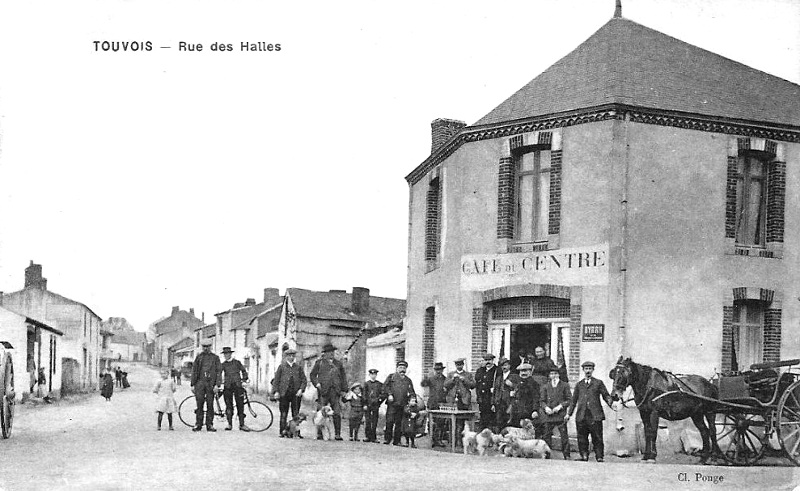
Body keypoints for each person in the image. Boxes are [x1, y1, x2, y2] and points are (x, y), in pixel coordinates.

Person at [566, 361, 614, 462]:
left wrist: (610, 402)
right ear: (583, 370)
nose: (588, 371)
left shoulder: (598, 383)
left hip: (595, 415)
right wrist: (568, 414)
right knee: (582, 437)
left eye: (590, 369)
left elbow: (606, 395)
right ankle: (584, 455)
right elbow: (573, 401)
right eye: (586, 369)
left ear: (593, 370)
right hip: (582, 415)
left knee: (597, 437)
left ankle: (599, 456)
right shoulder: (579, 385)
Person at [310, 343, 348, 441]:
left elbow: (343, 377)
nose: (331, 354)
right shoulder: (319, 363)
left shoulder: (338, 363)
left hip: (335, 391)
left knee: (336, 412)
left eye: (332, 352)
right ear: (325, 353)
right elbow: (313, 375)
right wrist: (317, 384)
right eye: (329, 352)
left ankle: (337, 434)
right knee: (320, 412)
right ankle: (319, 434)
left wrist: (344, 390)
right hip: (323, 391)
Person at [272, 348, 307, 437]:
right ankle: (283, 431)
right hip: (284, 394)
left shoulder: (298, 368)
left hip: (295, 394)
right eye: (289, 356)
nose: (291, 357)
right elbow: (276, 380)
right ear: (286, 357)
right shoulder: (282, 367)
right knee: (283, 413)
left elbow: (304, 380)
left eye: (293, 356)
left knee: (296, 414)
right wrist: (276, 392)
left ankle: (296, 432)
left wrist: (301, 389)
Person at [540, 367, 572, 459]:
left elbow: (569, 399)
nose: (553, 376)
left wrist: (560, 406)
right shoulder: (545, 386)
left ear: (559, 375)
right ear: (549, 376)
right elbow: (542, 401)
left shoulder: (564, 385)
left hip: (560, 415)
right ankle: (547, 454)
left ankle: (566, 455)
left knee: (564, 435)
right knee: (547, 435)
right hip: (549, 415)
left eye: (555, 374)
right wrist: (546, 408)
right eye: (551, 374)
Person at [191, 339, 221, 432]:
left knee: (210, 404)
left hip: (210, 384)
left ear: (210, 347)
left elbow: (219, 372)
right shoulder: (199, 357)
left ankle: (210, 424)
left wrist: (217, 385)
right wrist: (193, 384)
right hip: (200, 383)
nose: (205, 348)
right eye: (204, 347)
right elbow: (194, 371)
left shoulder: (215, 358)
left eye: (207, 347)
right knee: (199, 404)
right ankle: (198, 424)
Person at [382, 360, 415, 446]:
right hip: (392, 404)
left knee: (399, 423)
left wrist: (412, 399)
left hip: (402, 404)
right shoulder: (391, 377)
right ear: (397, 368)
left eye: (404, 368)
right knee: (389, 422)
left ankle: (397, 441)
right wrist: (389, 394)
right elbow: (385, 387)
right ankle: (387, 439)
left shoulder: (408, 380)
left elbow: (412, 392)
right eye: (400, 368)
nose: (402, 370)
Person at [444, 358, 475, 445]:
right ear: (456, 366)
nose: (459, 366)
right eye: (458, 365)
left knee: (462, 421)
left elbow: (473, 385)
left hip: (464, 400)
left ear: (463, 365)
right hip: (453, 400)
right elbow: (445, 385)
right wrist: (453, 379)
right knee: (452, 421)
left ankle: (461, 441)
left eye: (460, 365)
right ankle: (452, 441)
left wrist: (464, 379)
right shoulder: (451, 374)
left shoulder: (468, 374)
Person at [219, 347, 251, 432]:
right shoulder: (223, 364)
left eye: (227, 354)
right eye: (225, 354)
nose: (226, 355)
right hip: (228, 387)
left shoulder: (237, 363)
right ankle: (229, 424)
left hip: (238, 386)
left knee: (240, 405)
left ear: (230, 354)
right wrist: (218, 384)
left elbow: (244, 371)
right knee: (228, 406)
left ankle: (242, 424)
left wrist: (244, 379)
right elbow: (218, 374)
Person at [420, 362, 447, 446]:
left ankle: (439, 440)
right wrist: (425, 378)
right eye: (437, 370)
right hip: (432, 403)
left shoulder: (445, 379)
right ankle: (432, 439)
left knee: (441, 422)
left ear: (442, 370)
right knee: (432, 422)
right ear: (435, 370)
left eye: (440, 370)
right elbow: (423, 384)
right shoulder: (431, 379)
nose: (438, 371)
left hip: (442, 403)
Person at [491, 358, 519, 431]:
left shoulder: (514, 376)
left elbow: (519, 388)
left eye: (506, 365)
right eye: (502, 366)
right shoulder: (498, 378)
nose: (504, 367)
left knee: (509, 423)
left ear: (509, 366)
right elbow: (495, 391)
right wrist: (493, 403)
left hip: (509, 403)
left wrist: (512, 385)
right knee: (499, 422)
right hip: (499, 403)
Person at [509, 363, 539, 427]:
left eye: (525, 371)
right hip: (517, 412)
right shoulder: (519, 383)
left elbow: (536, 398)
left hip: (527, 412)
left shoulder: (533, 384)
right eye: (521, 371)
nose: (523, 373)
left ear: (530, 372)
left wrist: (535, 410)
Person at [474, 353, 499, 431]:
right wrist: (478, 397)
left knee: (491, 420)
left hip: (491, 399)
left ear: (493, 360)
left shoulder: (497, 370)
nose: (488, 362)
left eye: (489, 360)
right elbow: (477, 385)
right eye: (486, 360)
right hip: (482, 399)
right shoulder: (480, 370)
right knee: (483, 420)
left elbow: (499, 385)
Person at [363, 369, 384, 443]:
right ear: (369, 375)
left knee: (374, 421)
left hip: (375, 405)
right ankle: (367, 436)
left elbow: (382, 394)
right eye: (372, 374)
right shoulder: (366, 384)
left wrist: (378, 401)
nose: (373, 376)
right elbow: (364, 394)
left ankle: (373, 437)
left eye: (374, 374)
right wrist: (365, 404)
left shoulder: (379, 384)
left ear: (376, 375)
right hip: (368, 405)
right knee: (368, 420)